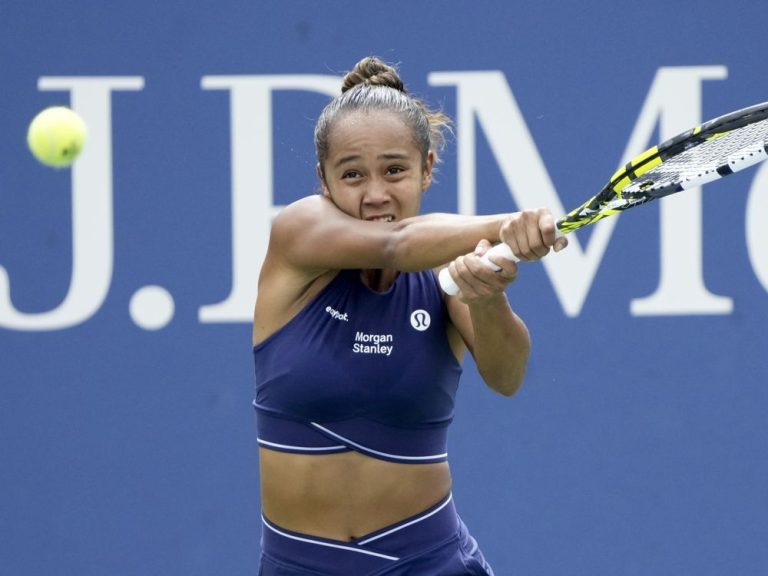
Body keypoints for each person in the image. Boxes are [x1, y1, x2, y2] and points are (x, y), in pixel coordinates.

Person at [252, 56, 566, 575]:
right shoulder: (297, 233)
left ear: (427, 167)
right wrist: (511, 224)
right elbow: (396, 243)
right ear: (323, 182)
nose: (375, 194)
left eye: (395, 170)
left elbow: (507, 376)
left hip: (429, 560)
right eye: (352, 175)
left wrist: (486, 296)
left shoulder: (446, 267)